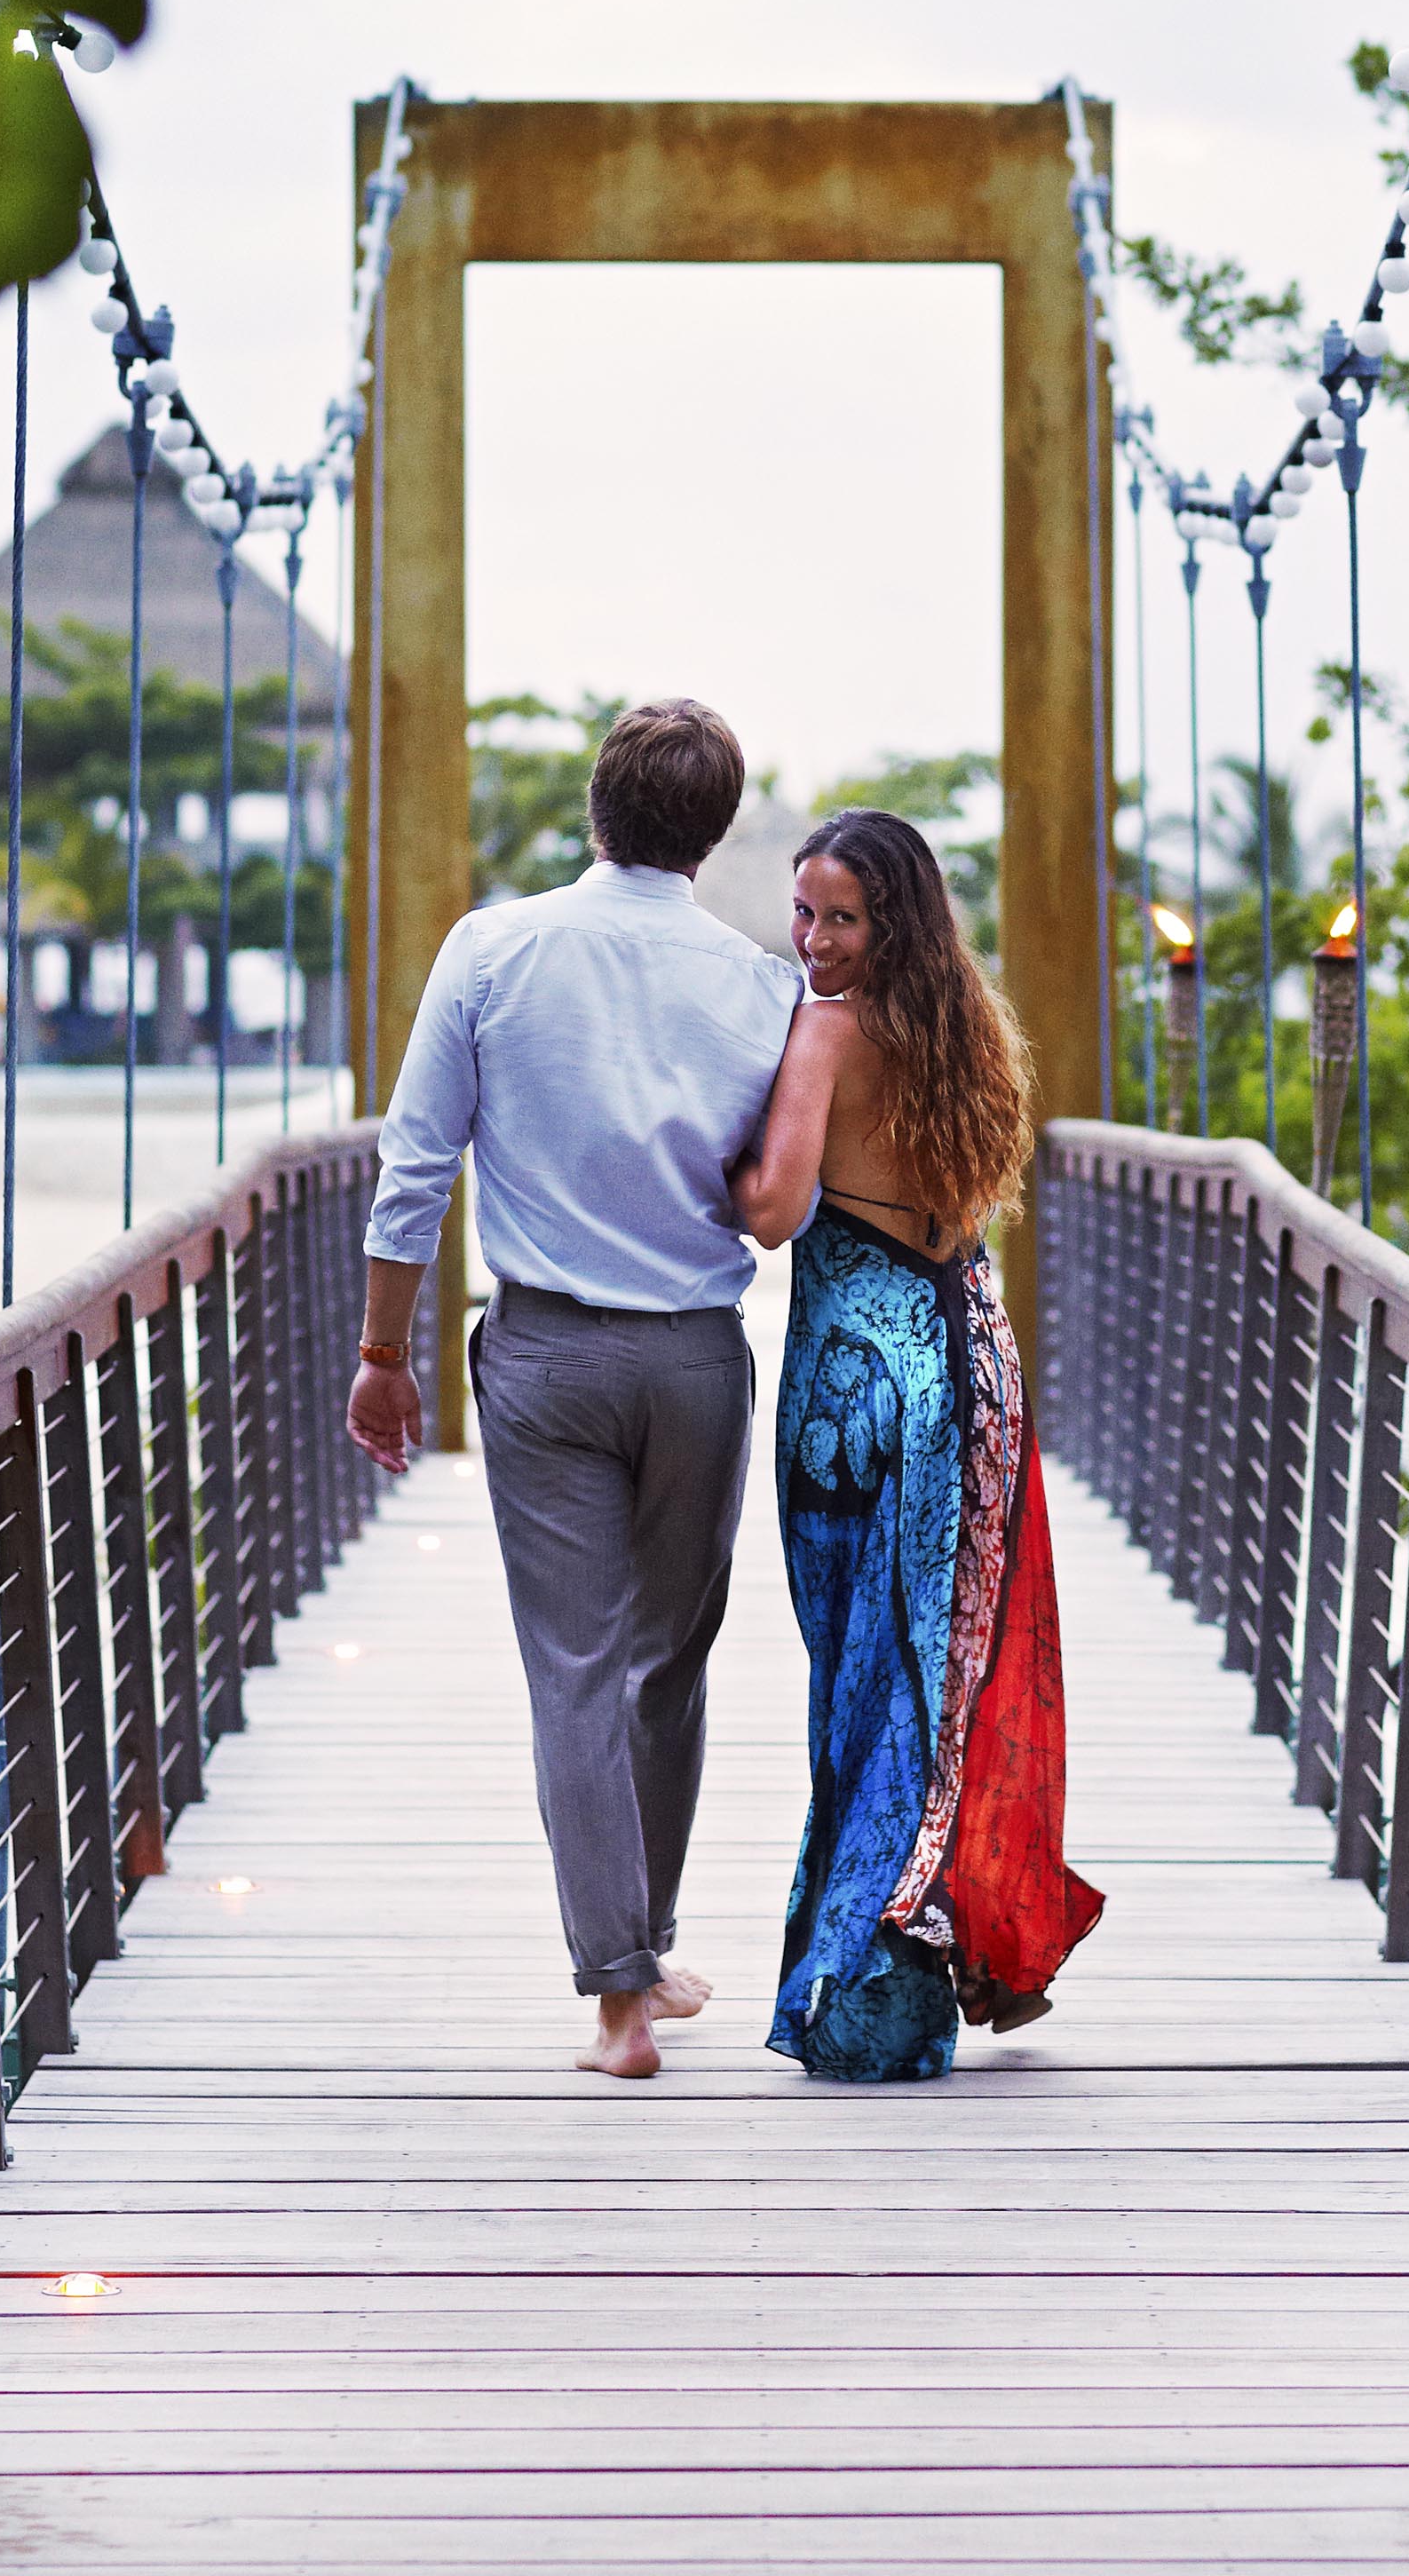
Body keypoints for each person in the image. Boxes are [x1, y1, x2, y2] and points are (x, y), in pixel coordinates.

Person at [352, 700, 799, 2081]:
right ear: (714, 829)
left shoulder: (494, 947)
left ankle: (621, 1990)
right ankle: (642, 1948)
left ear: (596, 806)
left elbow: (415, 1168)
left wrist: (382, 1355)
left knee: (575, 1670)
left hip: (541, 1355)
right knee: (669, 1662)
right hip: (695, 1360)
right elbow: (786, 1193)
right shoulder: (764, 985)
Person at [732, 807, 1104, 2082]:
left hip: (861, 1400)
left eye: (843, 916)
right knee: (943, 1670)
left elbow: (776, 1212)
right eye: (804, 913)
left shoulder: (827, 1031)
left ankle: (866, 1993)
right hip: (974, 1366)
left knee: (865, 1676)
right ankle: (930, 1950)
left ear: (892, 921)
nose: (816, 941)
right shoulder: (967, 1029)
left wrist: (684, 1152)